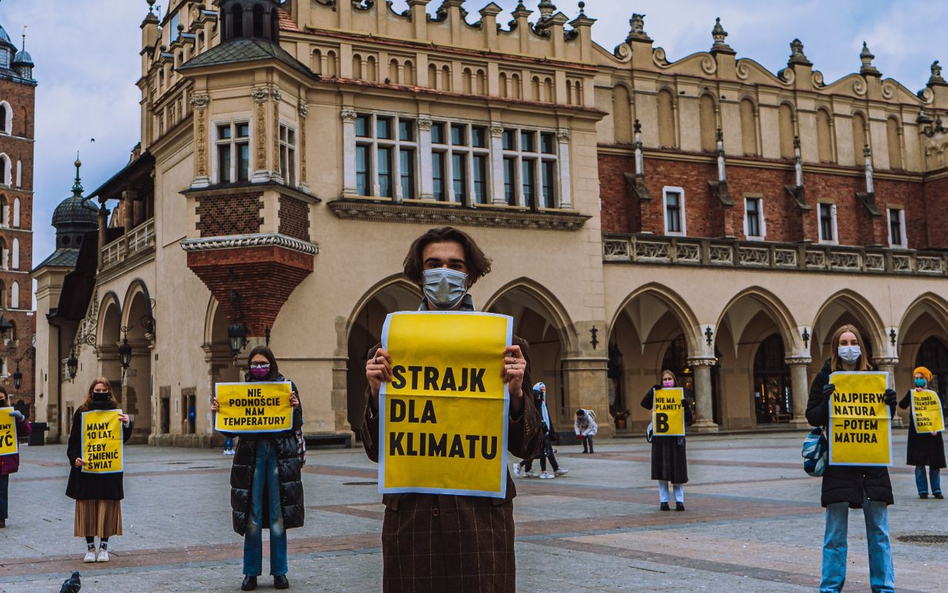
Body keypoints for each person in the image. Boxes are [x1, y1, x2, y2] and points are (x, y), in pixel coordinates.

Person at [361, 226, 542, 592]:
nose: (445, 273)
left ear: (470, 274)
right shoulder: (386, 350)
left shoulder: (507, 347)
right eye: (434, 264)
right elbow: (375, 450)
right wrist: (376, 393)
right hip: (412, 517)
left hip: (480, 519)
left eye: (455, 265)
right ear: (419, 273)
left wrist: (518, 392)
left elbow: (528, 447)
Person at [806, 324, 897, 593]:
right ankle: (830, 587)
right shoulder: (825, 377)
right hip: (839, 465)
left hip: (872, 464)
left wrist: (889, 404)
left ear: (861, 346)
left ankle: (884, 587)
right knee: (834, 534)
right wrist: (826, 402)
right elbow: (812, 416)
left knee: (879, 532)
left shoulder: (873, 376)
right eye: (843, 342)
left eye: (853, 341)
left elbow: (882, 422)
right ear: (836, 348)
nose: (849, 347)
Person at [212, 346, 303, 591]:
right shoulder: (242, 392)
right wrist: (219, 413)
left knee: (277, 516)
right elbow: (231, 429)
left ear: (271, 364)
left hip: (278, 456)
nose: (258, 367)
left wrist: (294, 408)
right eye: (254, 364)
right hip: (250, 457)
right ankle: (250, 572)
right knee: (252, 516)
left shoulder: (286, 387)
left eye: (263, 363)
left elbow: (296, 425)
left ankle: (280, 572)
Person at [65, 378, 133, 563]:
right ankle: (90, 547)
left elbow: (120, 439)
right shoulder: (82, 411)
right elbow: (73, 441)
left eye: (104, 390)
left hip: (109, 469)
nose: (100, 393)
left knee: (107, 508)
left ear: (109, 392)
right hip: (87, 468)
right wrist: (75, 459)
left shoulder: (115, 412)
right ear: (91, 391)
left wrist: (127, 424)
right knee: (87, 509)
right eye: (97, 389)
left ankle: (104, 547)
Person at [641, 370, 692, 511]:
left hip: (676, 438)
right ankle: (664, 501)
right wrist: (652, 391)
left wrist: (686, 407)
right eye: (665, 379)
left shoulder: (681, 394)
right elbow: (644, 404)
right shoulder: (658, 394)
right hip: (661, 438)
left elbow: (688, 419)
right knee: (661, 472)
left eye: (670, 379)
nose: (667, 381)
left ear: (674, 380)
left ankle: (679, 501)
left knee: (678, 473)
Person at [898, 366, 946, 499]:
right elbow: (901, 405)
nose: (918, 380)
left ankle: (936, 490)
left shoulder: (933, 394)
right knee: (920, 464)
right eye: (916, 378)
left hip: (933, 433)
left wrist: (936, 428)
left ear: (927, 379)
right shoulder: (912, 394)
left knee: (934, 464)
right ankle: (922, 491)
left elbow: (938, 413)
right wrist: (912, 394)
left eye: (921, 378)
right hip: (917, 433)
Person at [0, 386, 31, 528]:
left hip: (4, 458)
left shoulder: (10, 414)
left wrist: (21, 419)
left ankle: (1, 517)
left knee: (2, 489)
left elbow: (26, 432)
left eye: (1, 398)